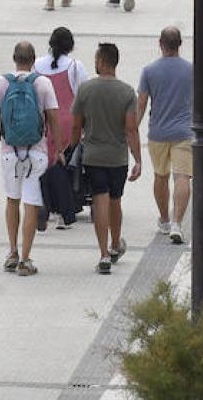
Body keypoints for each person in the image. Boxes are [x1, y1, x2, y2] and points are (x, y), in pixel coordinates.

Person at [0, 40, 59, 276]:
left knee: (12, 200)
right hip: (36, 152)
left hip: (9, 151)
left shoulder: (1, 82)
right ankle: (26, 260)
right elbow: (53, 119)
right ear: (34, 59)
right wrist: (57, 150)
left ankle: (12, 252)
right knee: (31, 203)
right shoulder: (43, 83)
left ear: (14, 58)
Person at [71, 41, 141, 274]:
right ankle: (115, 244)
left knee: (99, 200)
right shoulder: (127, 92)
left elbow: (76, 126)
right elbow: (131, 128)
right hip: (118, 157)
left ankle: (102, 255)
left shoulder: (85, 90)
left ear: (101, 61)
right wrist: (138, 159)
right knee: (115, 200)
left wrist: (70, 149)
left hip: (93, 155)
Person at [134, 26, 193, 244]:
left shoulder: (149, 71)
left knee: (161, 176)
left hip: (158, 132)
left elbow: (141, 103)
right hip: (184, 131)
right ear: (180, 44)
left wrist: (133, 129)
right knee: (182, 176)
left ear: (160, 43)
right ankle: (178, 223)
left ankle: (165, 219)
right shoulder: (191, 70)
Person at [32, 26, 90, 229]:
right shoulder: (75, 66)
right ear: (70, 46)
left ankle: (43, 206)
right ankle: (61, 211)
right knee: (62, 167)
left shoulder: (37, 65)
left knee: (44, 164)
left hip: (43, 121)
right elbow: (85, 94)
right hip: (67, 121)